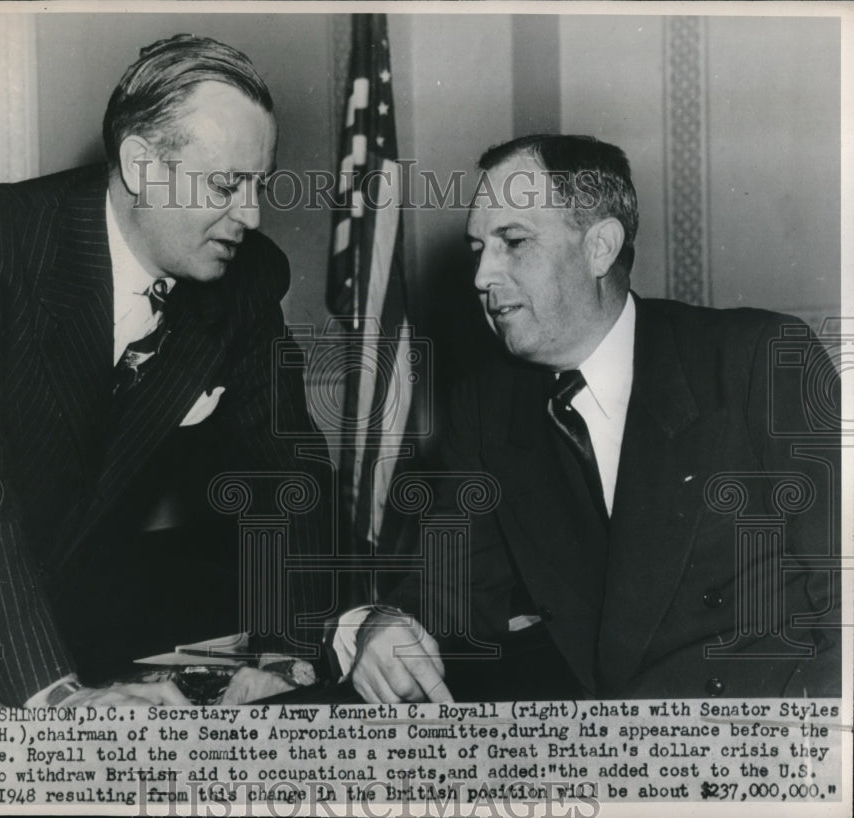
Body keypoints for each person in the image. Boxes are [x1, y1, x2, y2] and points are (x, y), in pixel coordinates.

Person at [0, 35, 330, 707]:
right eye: (227, 185)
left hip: (73, 637)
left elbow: (283, 475)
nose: (253, 216)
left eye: (259, 185)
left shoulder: (247, 278)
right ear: (143, 165)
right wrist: (55, 695)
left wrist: (286, 652)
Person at [346, 134, 840, 703]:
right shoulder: (485, 409)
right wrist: (390, 624)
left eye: (513, 241)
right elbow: (450, 591)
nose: (482, 275)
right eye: (478, 248)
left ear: (600, 247)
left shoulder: (759, 361)